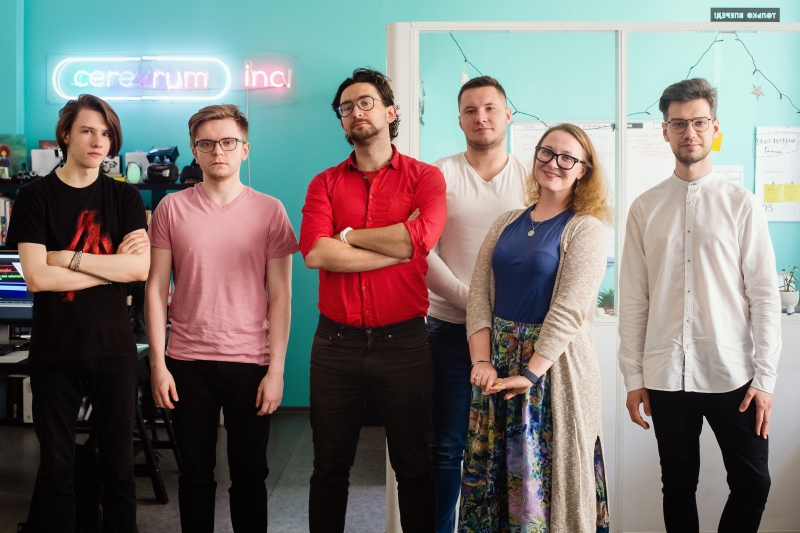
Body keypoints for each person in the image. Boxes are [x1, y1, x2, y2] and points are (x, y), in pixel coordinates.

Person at [618, 78, 781, 533]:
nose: (689, 132)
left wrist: (766, 379)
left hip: (733, 374)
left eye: (699, 122)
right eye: (678, 123)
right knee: (677, 485)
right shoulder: (644, 208)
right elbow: (633, 299)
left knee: (754, 483)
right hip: (666, 376)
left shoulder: (742, 205)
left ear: (714, 127)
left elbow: (764, 297)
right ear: (665, 131)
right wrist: (633, 377)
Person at [300, 67, 447, 533]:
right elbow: (315, 254)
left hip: (404, 343)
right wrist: (398, 245)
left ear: (391, 112)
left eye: (365, 102)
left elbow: (421, 239)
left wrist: (347, 236)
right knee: (329, 468)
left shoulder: (425, 177)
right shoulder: (324, 183)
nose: (355, 112)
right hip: (335, 345)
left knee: (415, 467)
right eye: (346, 107)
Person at [146, 104, 298, 532]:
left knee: (250, 476)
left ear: (245, 149)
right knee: (194, 476)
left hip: (250, 362)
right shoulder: (171, 209)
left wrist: (276, 370)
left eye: (228, 142)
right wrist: (158, 364)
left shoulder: (270, 210)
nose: (218, 151)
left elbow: (281, 296)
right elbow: (155, 289)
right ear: (194, 151)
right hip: (187, 361)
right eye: (207, 143)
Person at [8, 94, 149, 532]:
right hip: (56, 352)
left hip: (114, 351)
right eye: (87, 130)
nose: (97, 141)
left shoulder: (125, 197)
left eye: (106, 133)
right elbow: (37, 278)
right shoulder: (34, 197)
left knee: (119, 470)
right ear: (66, 135)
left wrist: (68, 259)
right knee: (56, 471)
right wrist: (109, 271)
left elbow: (138, 270)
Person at [463, 123, 612, 532]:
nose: (554, 163)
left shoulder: (586, 228)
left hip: (554, 373)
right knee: (493, 480)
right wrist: (481, 362)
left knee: (546, 484)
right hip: (496, 371)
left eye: (568, 158)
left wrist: (530, 374)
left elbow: (569, 311)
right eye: (546, 152)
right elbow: (479, 295)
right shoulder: (506, 222)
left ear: (583, 170)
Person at [426, 75, 527, 533]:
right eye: (470, 110)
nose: (480, 117)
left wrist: (492, 314)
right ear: (460, 120)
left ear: (508, 115)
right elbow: (420, 249)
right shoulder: (438, 175)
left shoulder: (530, 178)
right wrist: (472, 303)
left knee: (508, 448)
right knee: (446, 447)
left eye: (489, 109)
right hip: (448, 329)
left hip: (513, 335)